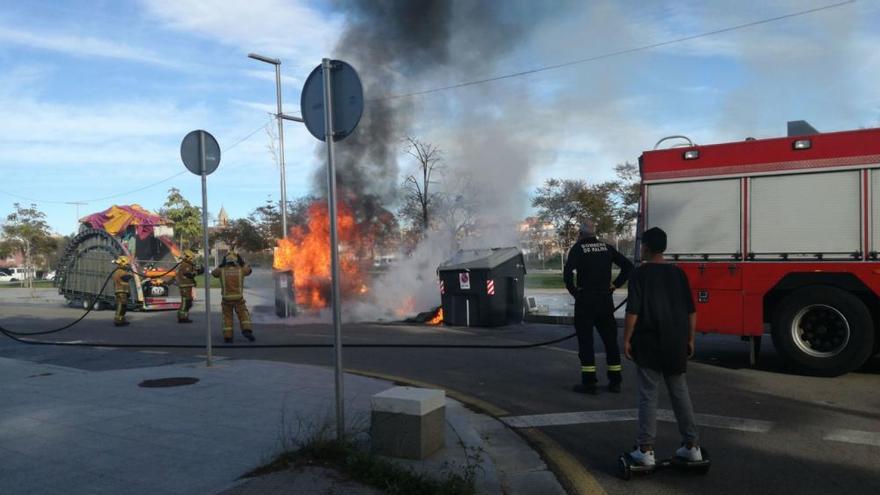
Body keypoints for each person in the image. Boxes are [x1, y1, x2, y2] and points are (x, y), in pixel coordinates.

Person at [623, 227, 702, 466]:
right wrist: (690, 339)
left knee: (648, 394)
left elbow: (633, 311)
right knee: (680, 393)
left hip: (648, 342)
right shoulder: (678, 274)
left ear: (646, 247)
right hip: (675, 342)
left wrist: (626, 339)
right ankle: (692, 446)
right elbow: (691, 311)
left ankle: (645, 450)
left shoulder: (639, 274)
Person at [564, 220, 634, 394]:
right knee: (610, 341)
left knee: (586, 342)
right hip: (604, 300)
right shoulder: (606, 248)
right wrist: (615, 284)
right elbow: (628, 266)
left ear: (580, 234)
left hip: (585, 300)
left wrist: (575, 292)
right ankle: (615, 381)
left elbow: (567, 274)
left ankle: (589, 383)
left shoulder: (578, 248)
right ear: (594, 234)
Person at [211, 250, 254, 343]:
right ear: (236, 261)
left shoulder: (221, 270)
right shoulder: (241, 269)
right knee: (243, 314)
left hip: (226, 299)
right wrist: (242, 263)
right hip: (238, 298)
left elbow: (213, 273)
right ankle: (247, 330)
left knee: (227, 317)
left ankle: (228, 336)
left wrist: (221, 265)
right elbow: (250, 271)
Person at [175, 249, 204, 323]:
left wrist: (200, 270)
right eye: (192, 258)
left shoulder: (189, 264)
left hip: (188, 286)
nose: (193, 259)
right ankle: (182, 317)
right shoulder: (185, 264)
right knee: (185, 302)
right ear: (188, 257)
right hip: (185, 286)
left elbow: (193, 272)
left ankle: (184, 316)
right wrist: (198, 272)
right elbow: (189, 274)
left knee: (189, 302)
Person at [111, 256, 133, 327]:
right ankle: (118, 320)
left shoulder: (120, 271)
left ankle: (121, 320)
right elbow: (127, 277)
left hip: (123, 291)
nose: (127, 266)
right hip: (121, 291)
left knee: (123, 306)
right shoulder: (120, 271)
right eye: (127, 265)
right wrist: (131, 273)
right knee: (121, 305)